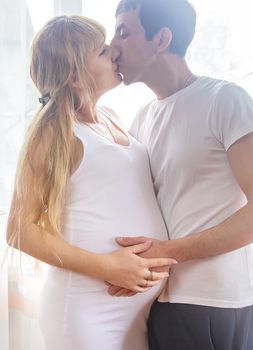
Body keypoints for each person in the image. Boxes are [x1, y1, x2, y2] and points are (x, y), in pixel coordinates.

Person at [6, 15, 177, 350]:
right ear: (73, 75)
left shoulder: (111, 118)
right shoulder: (53, 132)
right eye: (100, 51)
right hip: (87, 308)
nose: (113, 51)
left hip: (133, 308)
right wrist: (107, 266)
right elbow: (18, 229)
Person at [110, 0, 253, 349]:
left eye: (124, 32)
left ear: (161, 39)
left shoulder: (226, 100)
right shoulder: (141, 120)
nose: (113, 46)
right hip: (162, 301)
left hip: (218, 302)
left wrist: (167, 252)